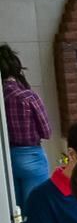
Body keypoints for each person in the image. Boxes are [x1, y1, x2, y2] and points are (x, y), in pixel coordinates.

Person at [1, 44, 51, 207]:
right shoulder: (27, 96)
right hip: (32, 156)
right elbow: (46, 132)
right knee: (37, 207)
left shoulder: (3, 98)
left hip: (6, 158)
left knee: (15, 210)